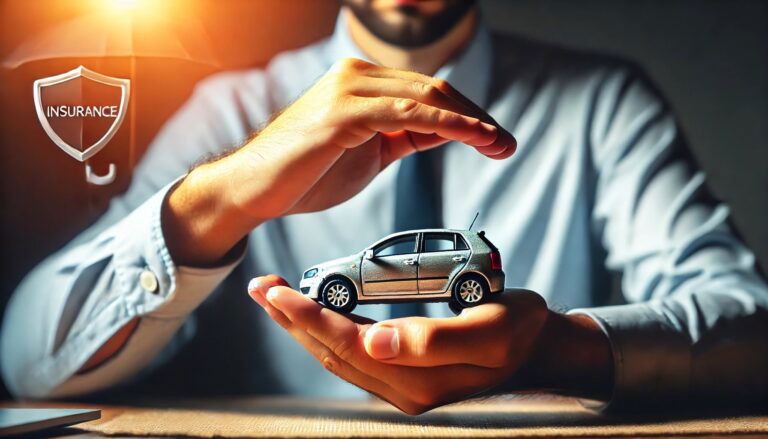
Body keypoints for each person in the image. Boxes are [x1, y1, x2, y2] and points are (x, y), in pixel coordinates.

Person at [2, 0, 767, 414]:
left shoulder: (603, 103)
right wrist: (220, 199)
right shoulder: (231, 113)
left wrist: (558, 350)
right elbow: (26, 360)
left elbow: (751, 320)